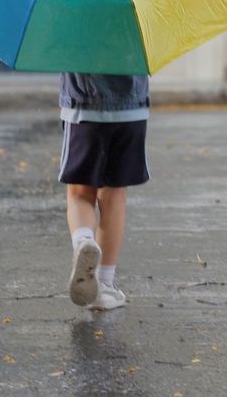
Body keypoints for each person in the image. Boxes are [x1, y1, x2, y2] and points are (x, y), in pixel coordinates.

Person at [62, 71, 148, 311]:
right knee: (114, 197)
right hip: (131, 111)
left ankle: (84, 241)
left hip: (84, 108)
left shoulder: (74, 30)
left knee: (80, 194)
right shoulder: (139, 32)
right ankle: (105, 286)